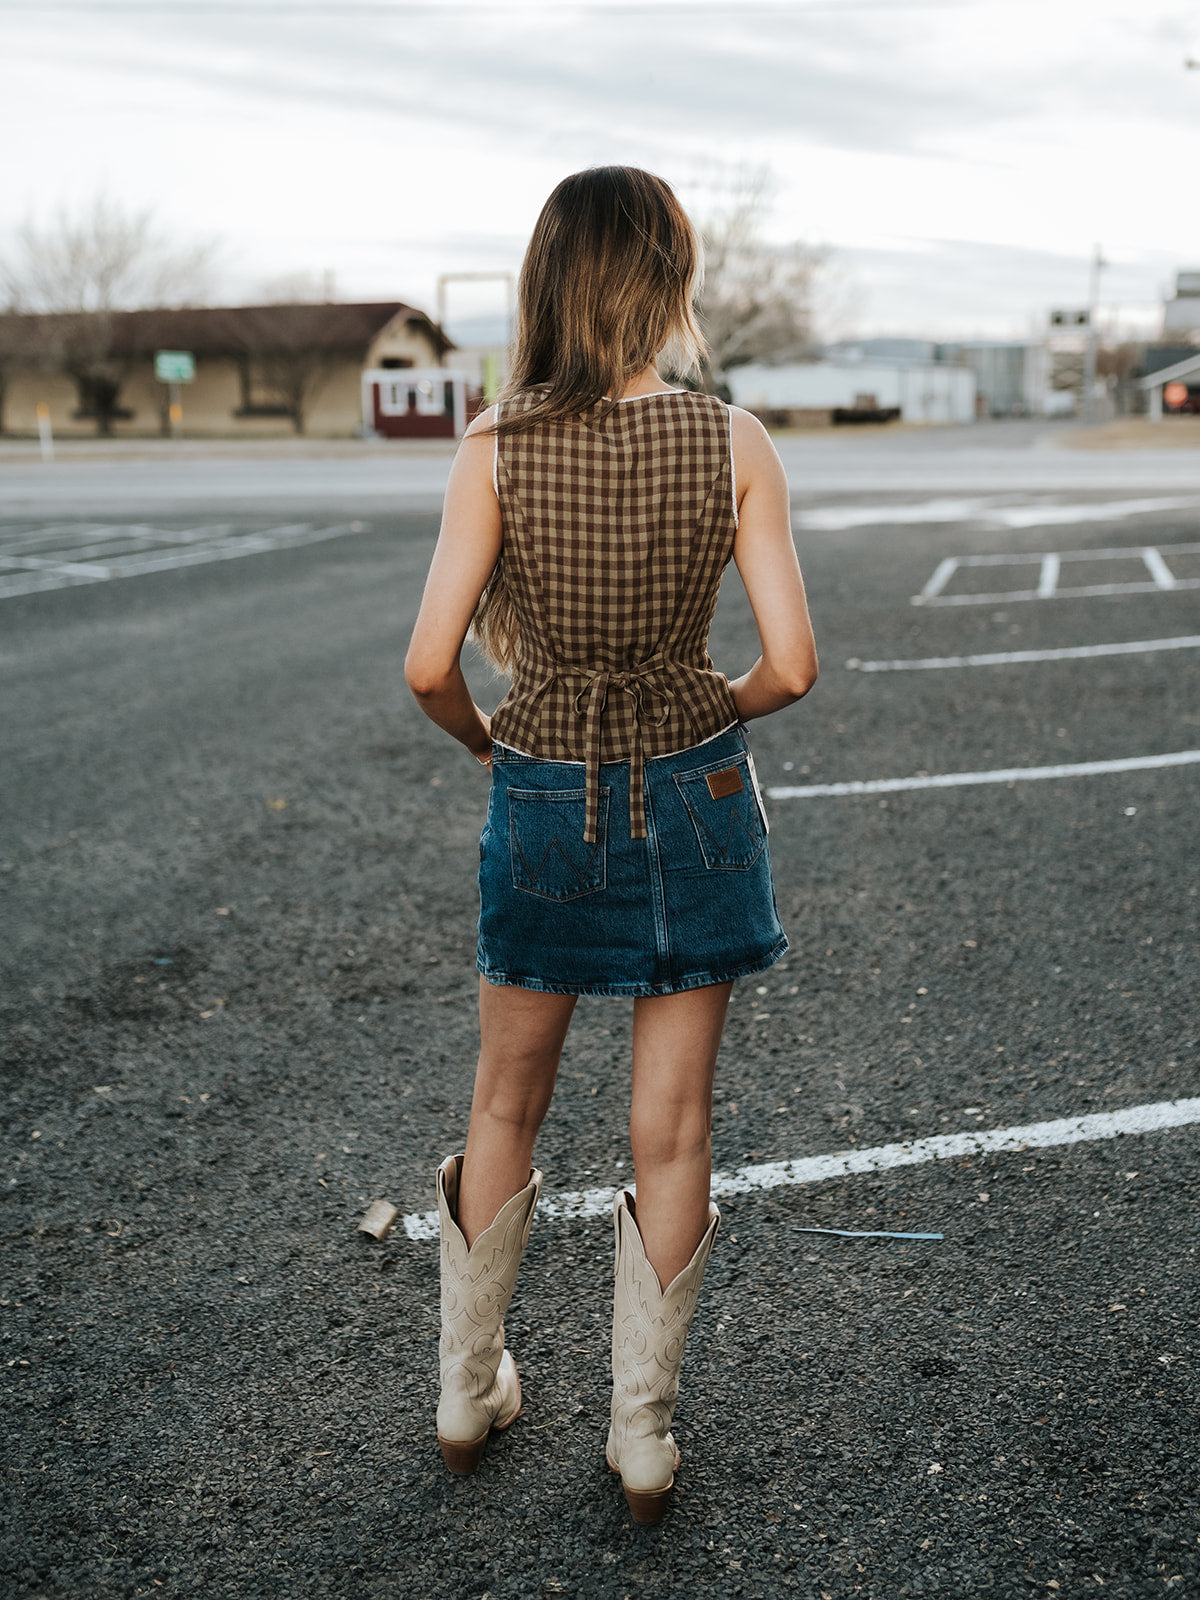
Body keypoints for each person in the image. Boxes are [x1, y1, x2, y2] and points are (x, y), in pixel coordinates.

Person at [404, 166, 817, 1524]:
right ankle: (640, 1438)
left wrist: (487, 739)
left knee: (506, 1098)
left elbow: (426, 665)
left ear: (547, 281)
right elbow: (794, 667)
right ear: (669, 278)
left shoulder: (494, 444)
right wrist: (716, 706)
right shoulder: (734, 438)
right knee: (674, 1125)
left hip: (543, 785)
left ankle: (468, 1394)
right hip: (693, 791)